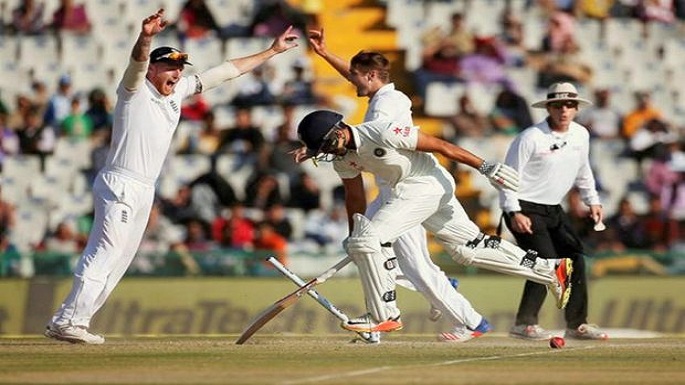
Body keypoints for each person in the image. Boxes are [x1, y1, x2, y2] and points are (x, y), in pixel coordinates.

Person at [44, 8, 298, 344]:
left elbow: (226, 71)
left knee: (119, 259)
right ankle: (67, 319)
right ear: (153, 69)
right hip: (120, 180)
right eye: (170, 66)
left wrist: (272, 51)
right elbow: (137, 61)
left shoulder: (176, 93)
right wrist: (146, 36)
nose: (177, 73)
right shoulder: (134, 90)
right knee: (106, 249)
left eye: (180, 67)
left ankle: (76, 320)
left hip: (144, 188)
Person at [294, 110, 573, 339]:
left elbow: (442, 146)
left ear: (339, 130)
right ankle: (551, 269)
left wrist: (485, 167)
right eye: (322, 150)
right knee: (469, 249)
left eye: (329, 144)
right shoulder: (343, 159)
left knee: (369, 240)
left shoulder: (380, 130)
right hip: (410, 190)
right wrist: (355, 230)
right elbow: (355, 197)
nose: (329, 152)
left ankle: (383, 315)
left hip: (426, 183)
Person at [308, 29, 493, 343]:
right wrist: (325, 55)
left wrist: (327, 139)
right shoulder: (381, 95)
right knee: (366, 244)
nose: (351, 80)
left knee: (414, 265)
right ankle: (442, 290)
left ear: (371, 75)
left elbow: (367, 135)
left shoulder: (386, 105)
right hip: (391, 188)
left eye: (355, 75)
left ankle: (471, 321)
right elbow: (357, 86)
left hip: (404, 189)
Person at [499, 82, 608, 341]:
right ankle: (524, 323)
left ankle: (576, 325)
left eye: (570, 105)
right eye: (558, 105)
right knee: (546, 264)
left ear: (577, 108)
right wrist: (513, 212)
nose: (564, 110)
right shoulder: (531, 137)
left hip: (553, 209)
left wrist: (592, 200)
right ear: (548, 107)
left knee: (575, 260)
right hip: (524, 207)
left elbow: (583, 171)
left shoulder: (581, 135)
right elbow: (507, 177)